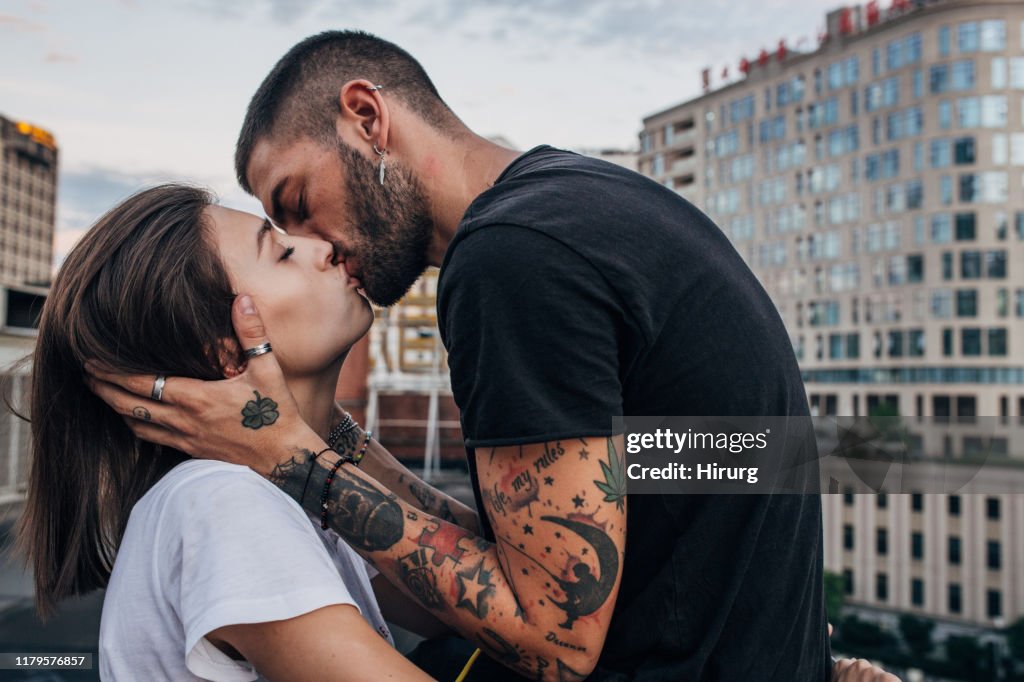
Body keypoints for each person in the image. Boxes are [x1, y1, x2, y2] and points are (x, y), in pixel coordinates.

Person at [87, 32, 895, 681]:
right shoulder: (580, 200)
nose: (314, 245)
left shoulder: (510, 263)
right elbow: (701, 471)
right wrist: (325, 436)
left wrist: (299, 458)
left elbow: (556, 643)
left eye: (298, 205)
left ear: (367, 116)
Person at [17, 185, 450, 681]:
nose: (324, 246)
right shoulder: (224, 501)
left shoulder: (289, 489)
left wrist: (312, 444)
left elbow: (489, 611)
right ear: (225, 353)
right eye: (283, 252)